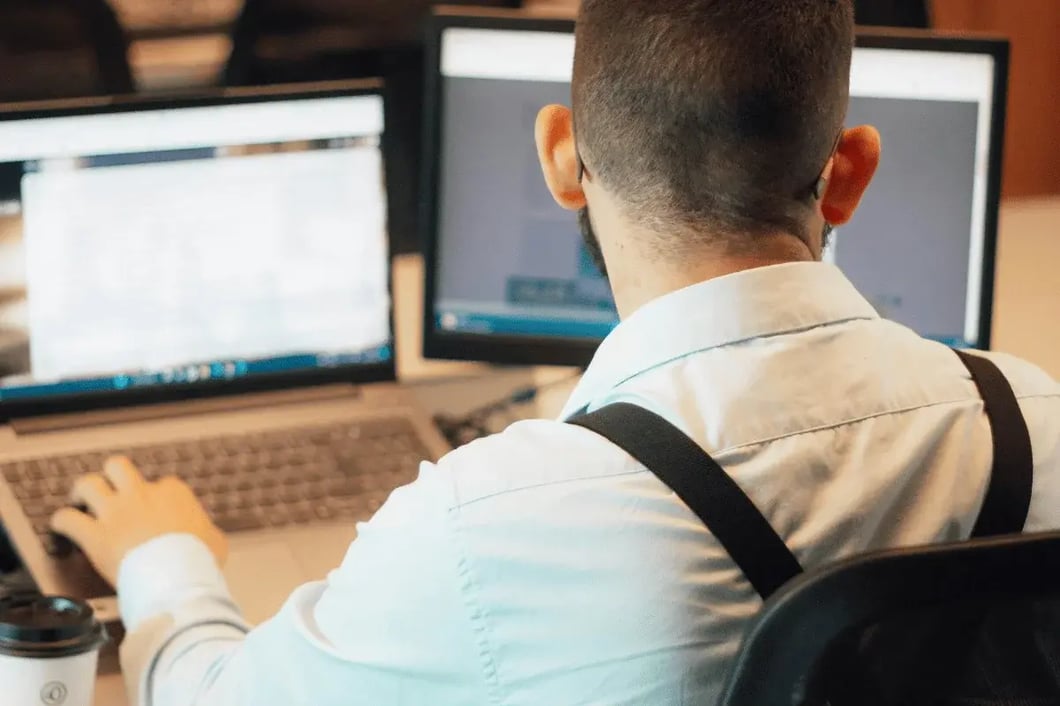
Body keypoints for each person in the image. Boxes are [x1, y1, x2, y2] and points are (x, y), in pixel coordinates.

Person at [54, 1, 1060, 704]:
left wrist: (162, 562)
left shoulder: (489, 524)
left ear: (557, 160)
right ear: (849, 175)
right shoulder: (1037, 423)